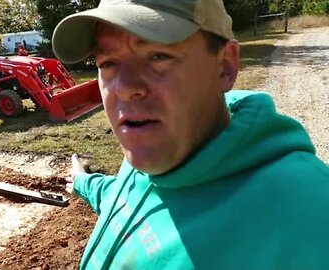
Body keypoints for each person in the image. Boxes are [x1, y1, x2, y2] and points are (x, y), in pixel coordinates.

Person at [52, 0, 329, 269]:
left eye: (158, 56)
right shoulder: (153, 152)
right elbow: (123, 198)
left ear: (225, 66)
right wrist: (83, 182)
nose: (124, 87)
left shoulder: (309, 212)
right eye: (107, 63)